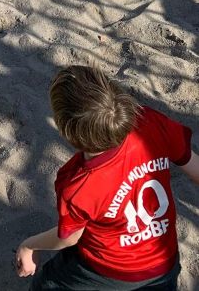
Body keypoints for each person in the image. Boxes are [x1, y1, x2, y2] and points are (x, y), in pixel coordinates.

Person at [15, 64, 199, 290]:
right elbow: (193, 165)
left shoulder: (77, 182)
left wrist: (29, 245)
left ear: (67, 132)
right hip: (164, 260)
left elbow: (69, 238)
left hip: (109, 269)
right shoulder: (149, 121)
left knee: (48, 284)